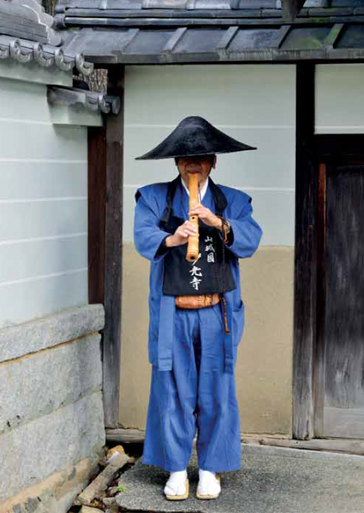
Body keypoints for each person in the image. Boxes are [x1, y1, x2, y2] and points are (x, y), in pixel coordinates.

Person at [133, 116, 263, 500]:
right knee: (171, 387)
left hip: (216, 312)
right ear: (175, 162)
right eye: (185, 157)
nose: (193, 164)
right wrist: (173, 236)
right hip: (174, 310)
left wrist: (218, 223)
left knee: (217, 388)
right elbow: (142, 236)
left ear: (213, 161)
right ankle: (176, 469)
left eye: (201, 157)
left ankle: (209, 468)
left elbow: (252, 239)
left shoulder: (232, 201)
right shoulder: (154, 197)